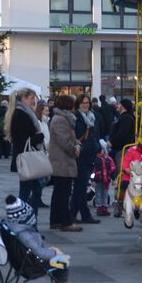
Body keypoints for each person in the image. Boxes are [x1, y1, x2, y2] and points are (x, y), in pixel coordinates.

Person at [4, 195, 81, 283]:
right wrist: (55, 252)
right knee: (63, 260)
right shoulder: (24, 235)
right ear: (24, 217)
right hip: (32, 266)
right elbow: (40, 254)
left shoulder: (14, 227)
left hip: (23, 261)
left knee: (55, 254)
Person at [5, 88, 44, 213]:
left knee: (32, 190)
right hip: (26, 159)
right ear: (24, 98)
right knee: (28, 192)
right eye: (32, 98)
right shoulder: (21, 114)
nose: (34, 101)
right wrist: (40, 136)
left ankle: (27, 219)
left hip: (26, 158)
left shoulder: (24, 112)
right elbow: (24, 139)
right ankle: (24, 220)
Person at [48, 95, 82, 232]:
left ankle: (55, 220)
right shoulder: (61, 120)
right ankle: (65, 222)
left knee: (58, 192)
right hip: (62, 162)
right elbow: (65, 142)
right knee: (63, 193)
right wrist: (75, 149)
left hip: (61, 162)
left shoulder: (61, 118)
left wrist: (77, 144)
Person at [72, 94, 100, 224]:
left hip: (90, 155)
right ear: (78, 104)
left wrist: (98, 147)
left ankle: (77, 214)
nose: (85, 105)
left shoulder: (92, 117)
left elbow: (94, 134)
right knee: (80, 186)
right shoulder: (76, 117)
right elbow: (76, 136)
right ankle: (81, 214)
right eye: (83, 103)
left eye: (87, 103)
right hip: (81, 155)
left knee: (81, 186)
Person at [108, 98, 135, 171]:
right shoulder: (123, 117)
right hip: (118, 149)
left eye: (119, 104)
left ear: (123, 106)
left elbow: (122, 133)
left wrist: (112, 142)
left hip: (122, 149)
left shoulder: (126, 118)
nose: (117, 105)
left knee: (119, 170)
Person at [34, 101, 51, 208]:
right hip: (41, 152)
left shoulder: (45, 122)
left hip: (46, 152)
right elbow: (42, 138)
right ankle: (36, 198)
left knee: (43, 178)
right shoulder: (39, 122)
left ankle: (37, 197)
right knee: (42, 178)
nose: (48, 112)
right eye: (46, 110)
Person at [92, 140, 116, 216]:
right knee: (98, 193)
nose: (102, 151)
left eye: (103, 149)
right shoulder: (95, 159)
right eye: (101, 149)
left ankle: (104, 207)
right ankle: (99, 207)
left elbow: (112, 169)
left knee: (105, 194)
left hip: (106, 180)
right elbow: (93, 171)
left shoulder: (109, 159)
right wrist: (92, 180)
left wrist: (113, 179)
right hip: (98, 180)